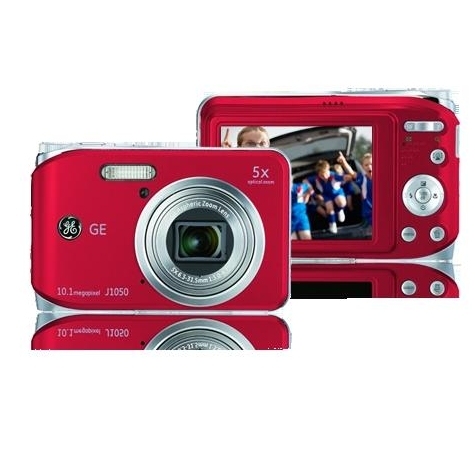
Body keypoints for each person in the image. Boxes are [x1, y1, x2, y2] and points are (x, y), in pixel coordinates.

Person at [305, 159, 348, 234]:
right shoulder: (316, 178)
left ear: (328, 170)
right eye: (322, 175)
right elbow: (305, 181)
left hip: (337, 193)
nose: (325, 176)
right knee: (329, 208)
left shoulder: (334, 175)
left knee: (341, 202)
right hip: (326, 195)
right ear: (318, 174)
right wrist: (312, 191)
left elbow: (344, 177)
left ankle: (340, 210)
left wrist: (346, 176)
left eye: (326, 173)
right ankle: (332, 224)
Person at [337, 151, 373, 236]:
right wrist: (344, 162)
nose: (369, 167)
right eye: (366, 165)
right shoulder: (362, 179)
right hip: (369, 214)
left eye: (371, 164)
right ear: (363, 167)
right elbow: (352, 173)